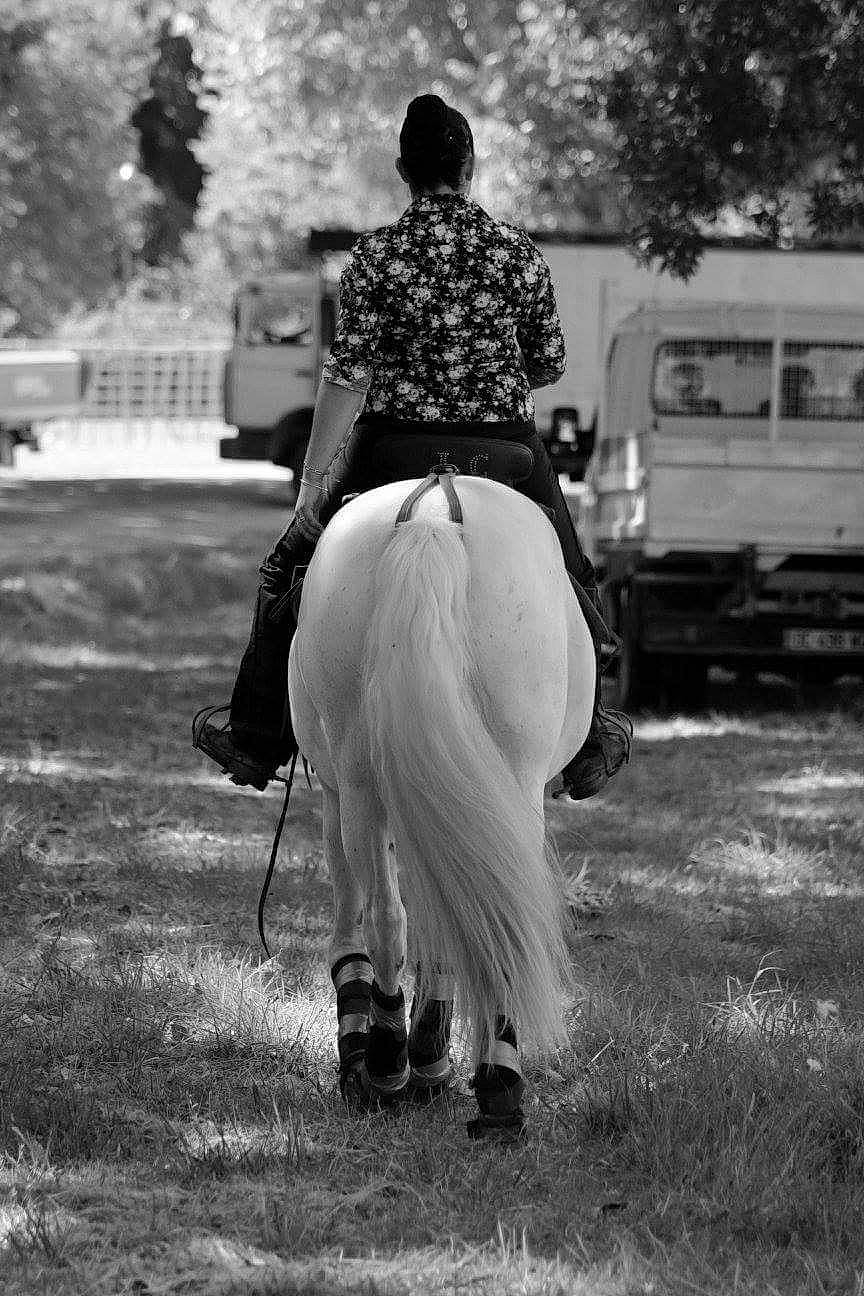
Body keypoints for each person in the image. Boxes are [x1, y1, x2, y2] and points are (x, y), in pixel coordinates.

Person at [194, 93, 631, 800]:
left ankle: (255, 739)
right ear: (469, 167)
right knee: (576, 578)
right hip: (506, 451)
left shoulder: (376, 255)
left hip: (392, 449)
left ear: (404, 170)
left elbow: (347, 377)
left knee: (284, 574)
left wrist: (311, 493)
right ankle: (589, 735)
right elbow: (547, 363)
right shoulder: (517, 253)